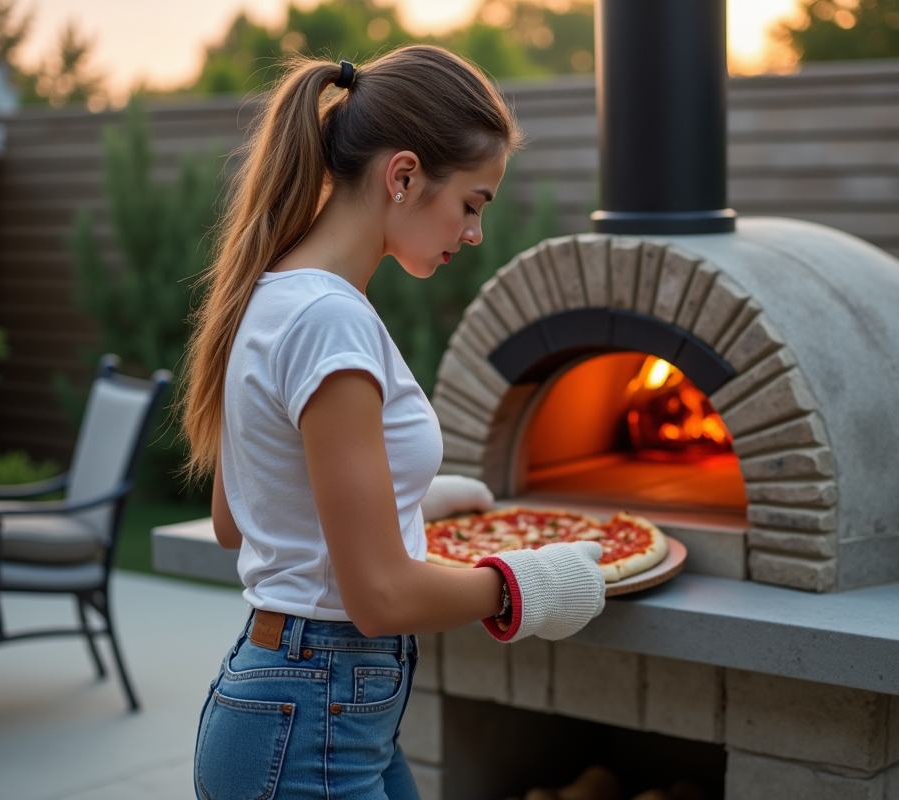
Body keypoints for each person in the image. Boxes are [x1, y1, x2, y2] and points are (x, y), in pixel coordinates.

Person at [180, 46, 606, 800]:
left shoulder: (275, 292)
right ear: (403, 176)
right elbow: (377, 598)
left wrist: (409, 498)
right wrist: (526, 584)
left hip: (306, 705)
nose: (473, 233)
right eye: (472, 204)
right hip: (314, 716)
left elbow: (237, 518)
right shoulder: (330, 319)